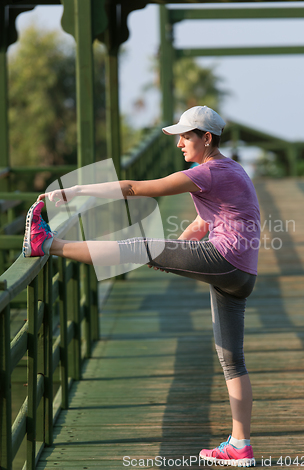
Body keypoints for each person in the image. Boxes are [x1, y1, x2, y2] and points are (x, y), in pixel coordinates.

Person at [23, 105, 260, 467]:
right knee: (232, 360)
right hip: (243, 275)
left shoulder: (209, 172)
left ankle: (47, 243)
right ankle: (240, 445)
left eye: (186, 136)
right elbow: (202, 221)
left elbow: (135, 187)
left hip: (225, 260)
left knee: (140, 247)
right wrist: (176, 252)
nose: (180, 143)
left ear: (207, 138)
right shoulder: (230, 170)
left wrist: (76, 190)